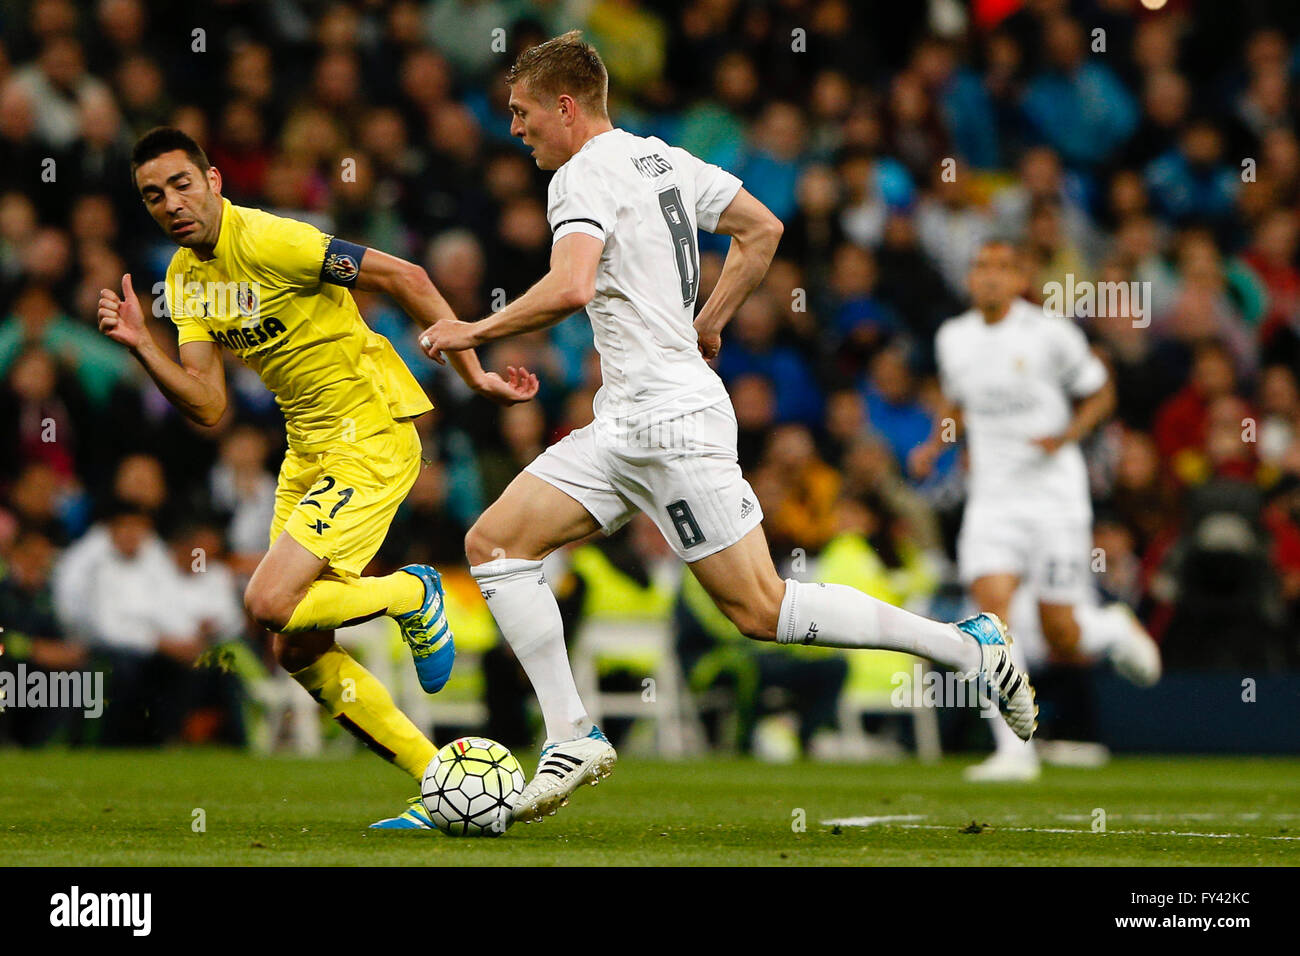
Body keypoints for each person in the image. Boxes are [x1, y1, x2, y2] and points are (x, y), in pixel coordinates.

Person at [419, 32, 1037, 826]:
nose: (515, 128)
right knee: (496, 545)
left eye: (522, 111)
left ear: (565, 107)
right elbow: (764, 229)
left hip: (670, 424)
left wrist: (473, 329)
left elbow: (571, 287)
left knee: (761, 609)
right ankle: (572, 736)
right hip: (630, 421)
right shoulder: (664, 158)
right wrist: (708, 319)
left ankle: (966, 646)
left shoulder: (580, 174)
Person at [95, 127, 538, 825]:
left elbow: (406, 277)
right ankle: (442, 784)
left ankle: (410, 592)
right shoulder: (184, 281)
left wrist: (473, 367)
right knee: (295, 647)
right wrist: (142, 347)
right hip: (308, 450)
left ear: (214, 182)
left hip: (371, 432)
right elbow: (208, 404)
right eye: (153, 195)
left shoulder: (274, 240)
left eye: (182, 183)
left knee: (267, 602)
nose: (171, 203)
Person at [910, 239, 1161, 782]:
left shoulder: (1051, 335)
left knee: (1060, 634)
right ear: (971, 277)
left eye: (1004, 267)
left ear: (1022, 277)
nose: (990, 277)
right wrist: (936, 446)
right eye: (982, 266)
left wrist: (1067, 433)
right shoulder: (953, 338)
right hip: (992, 500)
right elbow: (956, 402)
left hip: (1054, 498)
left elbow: (1101, 393)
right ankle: (1014, 749)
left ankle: (1112, 630)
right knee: (992, 617)